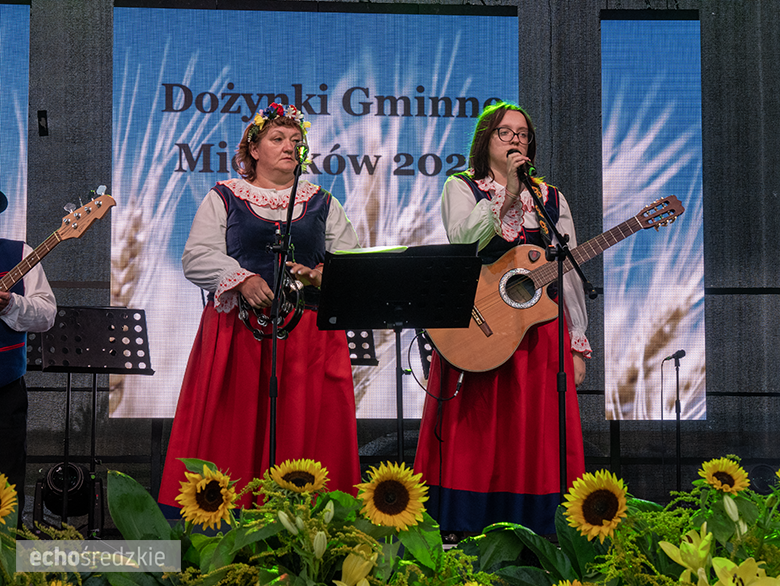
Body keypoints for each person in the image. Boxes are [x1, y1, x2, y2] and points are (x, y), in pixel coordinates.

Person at [158, 103, 361, 511]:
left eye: (296, 141)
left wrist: (323, 274)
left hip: (308, 336)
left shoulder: (322, 202)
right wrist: (243, 279)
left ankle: (306, 529)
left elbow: (352, 261)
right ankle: (226, 528)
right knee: (236, 423)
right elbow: (197, 257)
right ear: (252, 148)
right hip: (240, 335)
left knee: (306, 428)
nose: (290, 147)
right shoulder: (226, 197)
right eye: (277, 138)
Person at [413, 102, 591, 537]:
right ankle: (465, 525)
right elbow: (464, 240)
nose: (516, 140)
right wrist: (508, 192)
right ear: (485, 141)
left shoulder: (551, 199)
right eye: (505, 133)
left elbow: (565, 273)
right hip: (479, 329)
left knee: (535, 434)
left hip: (539, 336)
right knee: (477, 428)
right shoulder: (462, 187)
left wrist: (577, 339)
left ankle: (538, 533)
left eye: (523, 134)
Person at [0, 190, 57, 526]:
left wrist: (11, 304)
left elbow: (47, 315)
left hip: (4, 391)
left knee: (6, 486)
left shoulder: (19, 254)